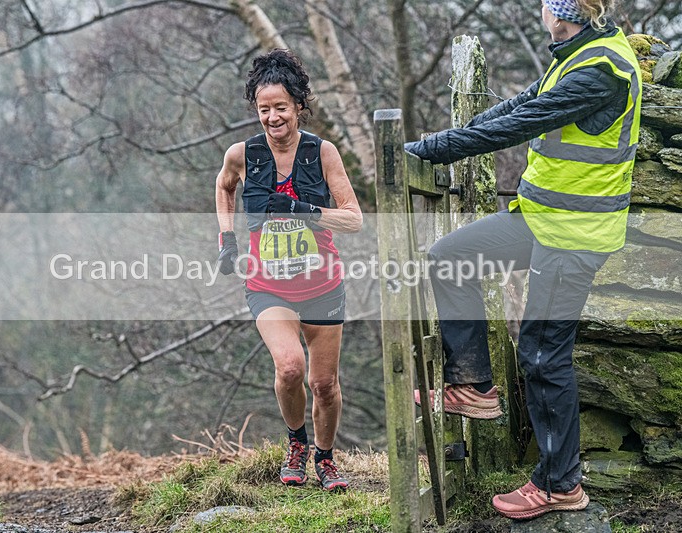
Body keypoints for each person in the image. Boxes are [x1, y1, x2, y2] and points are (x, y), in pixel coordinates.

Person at [405, 0, 640, 520]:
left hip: (577, 234)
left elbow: (518, 125)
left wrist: (434, 150)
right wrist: (426, 145)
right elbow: (514, 108)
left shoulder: (601, 69)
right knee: (450, 257)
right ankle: (473, 386)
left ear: (561, 10)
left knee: (540, 352)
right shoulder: (573, 54)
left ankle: (560, 485)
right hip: (543, 217)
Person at [215, 49, 363, 491]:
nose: (273, 117)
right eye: (264, 109)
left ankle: (326, 457)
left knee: (324, 385)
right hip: (268, 286)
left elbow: (353, 218)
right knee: (290, 368)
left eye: (281, 107)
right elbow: (223, 187)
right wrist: (226, 238)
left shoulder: (323, 152)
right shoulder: (243, 154)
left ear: (299, 105)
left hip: (321, 286)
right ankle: (296, 444)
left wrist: (303, 209)